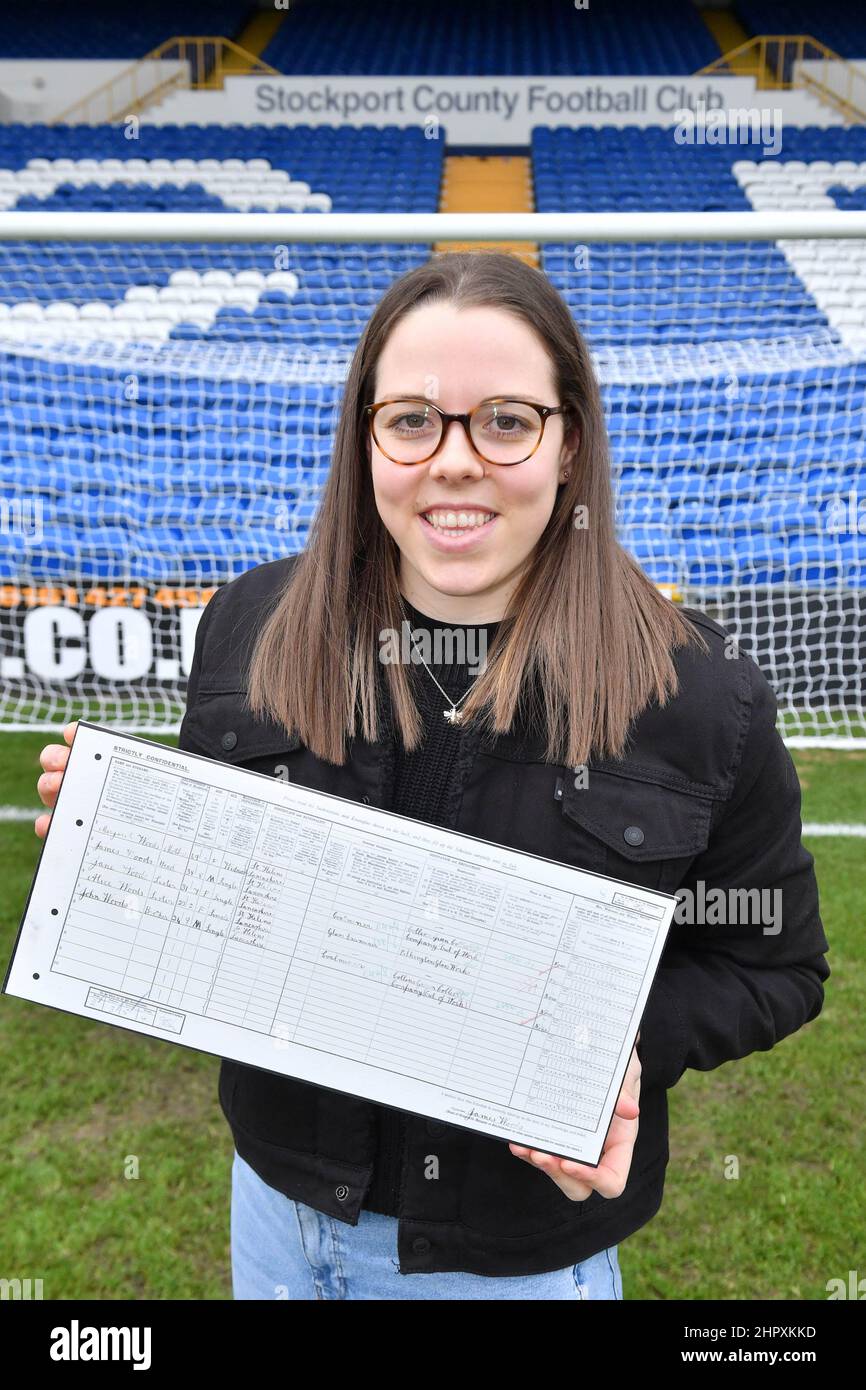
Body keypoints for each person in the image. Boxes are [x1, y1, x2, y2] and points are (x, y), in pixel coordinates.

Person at [35, 251, 829, 1301]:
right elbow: (236, 909)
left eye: (503, 419)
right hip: (272, 1208)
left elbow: (774, 966)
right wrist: (129, 862)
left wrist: (616, 1050)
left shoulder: (696, 692)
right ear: (365, 439)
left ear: (567, 443)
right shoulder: (249, 625)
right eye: (412, 419)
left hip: (506, 1262)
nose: (453, 460)